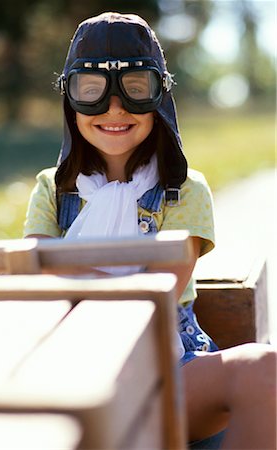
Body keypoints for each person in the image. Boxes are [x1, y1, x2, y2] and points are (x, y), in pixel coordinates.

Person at [24, 12, 276, 449]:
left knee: (265, 367)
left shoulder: (184, 190)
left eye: (136, 88)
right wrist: (57, 280)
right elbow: (33, 278)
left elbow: (155, 292)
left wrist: (64, 277)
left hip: (167, 363)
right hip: (71, 364)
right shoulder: (52, 188)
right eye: (92, 91)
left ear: (159, 95)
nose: (114, 108)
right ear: (71, 99)